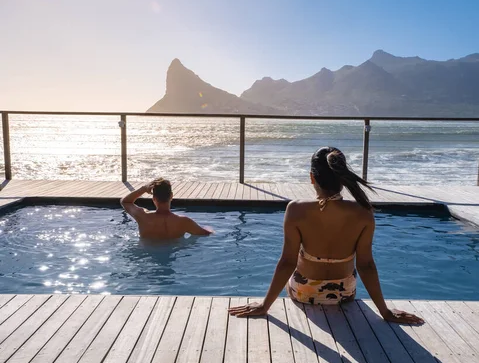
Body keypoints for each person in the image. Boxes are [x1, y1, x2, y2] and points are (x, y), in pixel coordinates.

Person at [229, 147, 423, 324]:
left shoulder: (296, 209)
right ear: (342, 179)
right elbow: (366, 265)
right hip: (345, 293)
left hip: (305, 292)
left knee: (296, 264)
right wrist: (385, 312)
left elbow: (287, 262)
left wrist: (264, 306)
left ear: (312, 178)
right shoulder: (363, 212)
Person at [120, 177, 213, 239]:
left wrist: (143, 189)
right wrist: (210, 229)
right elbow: (207, 233)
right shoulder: (184, 222)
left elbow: (125, 201)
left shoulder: (142, 216)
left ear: (154, 198)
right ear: (171, 196)